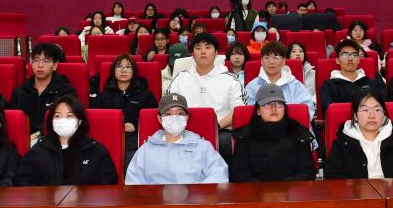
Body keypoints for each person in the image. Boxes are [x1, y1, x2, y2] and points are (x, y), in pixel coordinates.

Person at [167, 32, 244, 161]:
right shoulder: (181, 78)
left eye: (208, 47)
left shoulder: (230, 79)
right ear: (192, 54)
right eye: (198, 48)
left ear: (216, 53)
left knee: (225, 140)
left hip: (220, 130)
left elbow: (239, 110)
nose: (203, 51)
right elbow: (168, 105)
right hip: (185, 130)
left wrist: (216, 126)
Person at [14, 95, 119, 186]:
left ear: (80, 121)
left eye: (69, 116)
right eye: (57, 116)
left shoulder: (95, 151)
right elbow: (22, 180)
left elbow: (108, 184)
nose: (62, 120)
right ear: (52, 121)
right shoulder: (39, 150)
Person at [125, 93, 229, 185]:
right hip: (156, 200)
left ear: (186, 117)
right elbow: (133, 182)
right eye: (168, 114)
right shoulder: (146, 150)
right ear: (160, 119)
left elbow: (219, 175)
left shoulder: (203, 146)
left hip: (195, 200)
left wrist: (196, 195)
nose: (174, 118)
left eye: (180, 114)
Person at [324, 90, 393, 180]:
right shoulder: (342, 144)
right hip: (357, 194)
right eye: (365, 110)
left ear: (384, 113)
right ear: (355, 115)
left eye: (377, 110)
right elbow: (332, 175)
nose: (372, 115)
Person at [230, 83, 316, 182]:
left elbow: (307, 172)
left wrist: (284, 188)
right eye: (267, 104)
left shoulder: (299, 133)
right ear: (258, 111)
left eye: (278, 104)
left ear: (284, 109)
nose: (273, 108)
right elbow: (239, 174)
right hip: (255, 190)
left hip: (291, 189)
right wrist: (263, 189)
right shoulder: (245, 136)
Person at [90, 55, 158, 168]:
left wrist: (135, 125)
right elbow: (95, 120)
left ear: (134, 71)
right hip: (108, 140)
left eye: (128, 67)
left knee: (134, 160)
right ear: (114, 71)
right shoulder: (103, 95)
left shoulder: (146, 95)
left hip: (133, 141)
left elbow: (152, 121)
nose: (123, 70)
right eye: (119, 66)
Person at [8, 43, 76, 137]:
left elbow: (70, 120)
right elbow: (12, 120)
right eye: (36, 60)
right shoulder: (20, 91)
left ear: (55, 65)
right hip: (24, 139)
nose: (40, 65)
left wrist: (38, 135)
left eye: (46, 61)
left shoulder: (65, 91)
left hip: (55, 139)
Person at [245, 42, 315, 121]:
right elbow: (249, 115)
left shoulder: (296, 86)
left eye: (276, 57)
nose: (271, 62)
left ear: (284, 61)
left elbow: (307, 112)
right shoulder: (252, 86)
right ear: (261, 61)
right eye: (267, 57)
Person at [320, 39, 386, 116]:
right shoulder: (328, 86)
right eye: (345, 55)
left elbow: (381, 110)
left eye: (354, 55)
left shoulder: (374, 83)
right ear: (337, 60)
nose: (350, 59)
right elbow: (330, 112)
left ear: (359, 60)